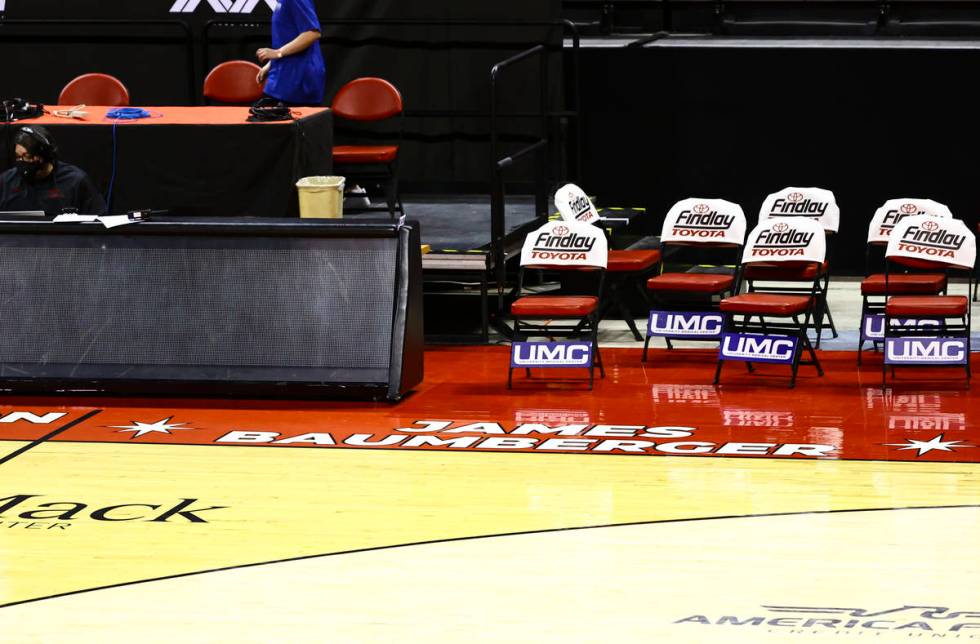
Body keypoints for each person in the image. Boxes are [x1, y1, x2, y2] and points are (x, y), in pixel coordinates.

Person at [0, 125, 106, 215]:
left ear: (42, 157)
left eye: (26, 156)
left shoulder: (75, 181)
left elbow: (98, 220)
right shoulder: (6, 181)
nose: (20, 161)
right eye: (18, 156)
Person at [255, 0, 326, 106]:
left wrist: (278, 53)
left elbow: (312, 33)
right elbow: (288, 37)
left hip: (299, 78)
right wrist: (271, 64)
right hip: (284, 76)